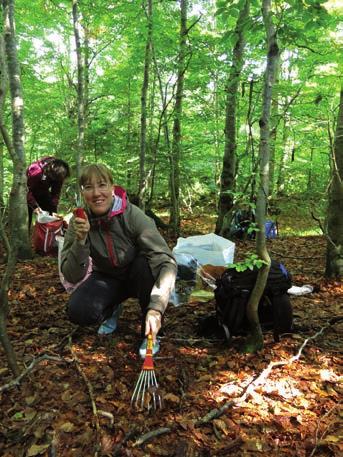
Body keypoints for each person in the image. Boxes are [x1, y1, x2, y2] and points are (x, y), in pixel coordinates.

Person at [60, 163, 177, 357]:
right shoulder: (79, 221)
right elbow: (72, 275)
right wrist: (81, 242)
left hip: (139, 275)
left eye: (102, 185)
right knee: (78, 311)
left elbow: (166, 261)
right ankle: (113, 307)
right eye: (89, 187)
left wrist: (156, 308)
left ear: (112, 187)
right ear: (82, 192)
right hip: (108, 277)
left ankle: (151, 333)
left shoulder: (132, 216)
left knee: (144, 265)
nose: (97, 193)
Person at [26, 156, 70, 228]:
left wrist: (53, 207)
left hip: (43, 192)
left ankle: (51, 235)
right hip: (29, 194)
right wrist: (35, 207)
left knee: (53, 215)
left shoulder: (60, 173)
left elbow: (56, 192)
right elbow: (27, 190)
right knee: (27, 219)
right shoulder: (36, 171)